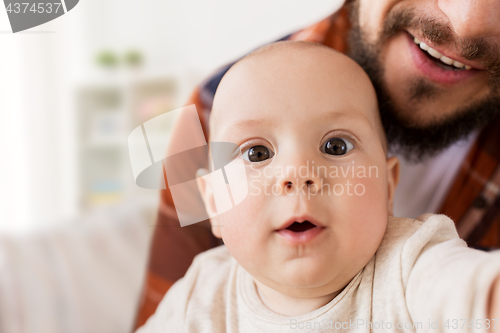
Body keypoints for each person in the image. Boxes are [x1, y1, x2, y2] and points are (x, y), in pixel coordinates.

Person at [134, 0, 500, 327]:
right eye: (257, 154)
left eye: (336, 146)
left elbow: (472, 293)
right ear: (212, 201)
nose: (298, 174)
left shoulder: (410, 266)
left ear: (390, 186)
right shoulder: (199, 298)